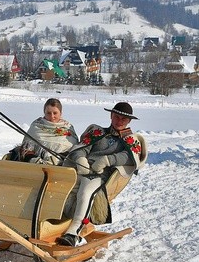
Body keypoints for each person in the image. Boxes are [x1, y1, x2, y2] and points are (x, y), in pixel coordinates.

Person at [58, 102, 146, 247]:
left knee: (85, 193)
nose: (119, 121)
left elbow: (128, 156)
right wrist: (81, 159)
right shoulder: (98, 132)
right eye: (117, 117)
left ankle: (74, 233)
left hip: (100, 176)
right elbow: (81, 148)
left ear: (129, 121)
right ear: (111, 116)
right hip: (81, 169)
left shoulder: (131, 140)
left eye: (123, 119)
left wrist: (107, 160)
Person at [12, 98, 78, 164]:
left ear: (60, 113)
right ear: (44, 113)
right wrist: (32, 159)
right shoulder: (37, 126)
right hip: (35, 164)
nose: (52, 116)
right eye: (48, 113)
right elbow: (26, 148)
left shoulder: (68, 128)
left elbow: (74, 150)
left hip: (62, 165)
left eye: (55, 113)